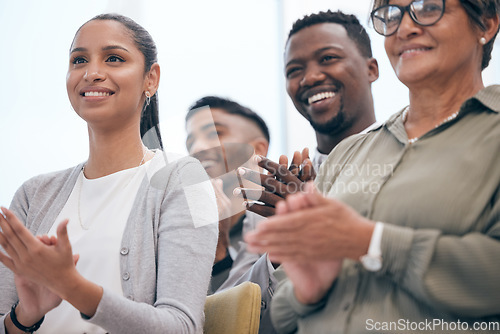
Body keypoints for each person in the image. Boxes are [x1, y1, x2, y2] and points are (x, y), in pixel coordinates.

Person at [245, 0, 500, 333]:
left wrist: (372, 242)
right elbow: (280, 315)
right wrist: (308, 290)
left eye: (428, 7)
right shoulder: (348, 154)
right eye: (390, 15)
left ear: (487, 21)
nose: (404, 28)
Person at [0, 14, 217, 334]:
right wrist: (24, 317)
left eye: (113, 58)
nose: (92, 73)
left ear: (151, 79)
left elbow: (181, 326)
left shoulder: (186, 179)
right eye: (79, 60)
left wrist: (71, 286)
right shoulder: (33, 195)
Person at [238, 10, 379, 217]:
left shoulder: (409, 160)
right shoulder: (277, 195)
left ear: (371, 70)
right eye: (294, 70)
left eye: (328, 58)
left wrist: (314, 220)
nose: (310, 78)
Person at [185, 96, 270, 294]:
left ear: (257, 150)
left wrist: (218, 254)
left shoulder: (279, 224)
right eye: (190, 143)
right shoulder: (183, 232)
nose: (197, 149)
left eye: (215, 133)